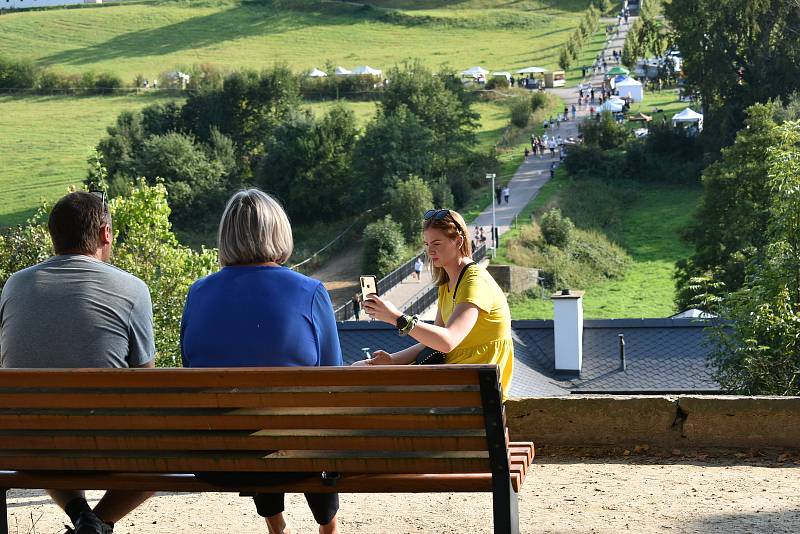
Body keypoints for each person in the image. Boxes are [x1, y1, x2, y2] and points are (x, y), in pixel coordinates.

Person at [180, 189, 342, 534]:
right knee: (305, 421)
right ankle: (328, 526)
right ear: (279, 231)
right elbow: (334, 381)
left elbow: (191, 365)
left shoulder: (198, 293)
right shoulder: (310, 292)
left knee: (251, 414)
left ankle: (276, 526)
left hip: (218, 458)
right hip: (297, 459)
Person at [0, 191, 156, 534]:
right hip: (104, 448)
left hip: (23, 446)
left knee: (47, 423)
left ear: (53, 235)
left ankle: (83, 517)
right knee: (164, 454)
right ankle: (98, 524)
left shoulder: (14, 286)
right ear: (105, 234)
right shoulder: (132, 289)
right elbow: (149, 386)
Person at [356, 209, 513, 400]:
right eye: (427, 244)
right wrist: (392, 360)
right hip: (460, 381)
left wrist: (397, 318)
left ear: (458, 241)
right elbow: (433, 343)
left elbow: (448, 341)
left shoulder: (474, 282)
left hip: (472, 391)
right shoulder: (448, 283)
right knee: (360, 369)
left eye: (437, 243)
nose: (430, 251)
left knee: (364, 383)